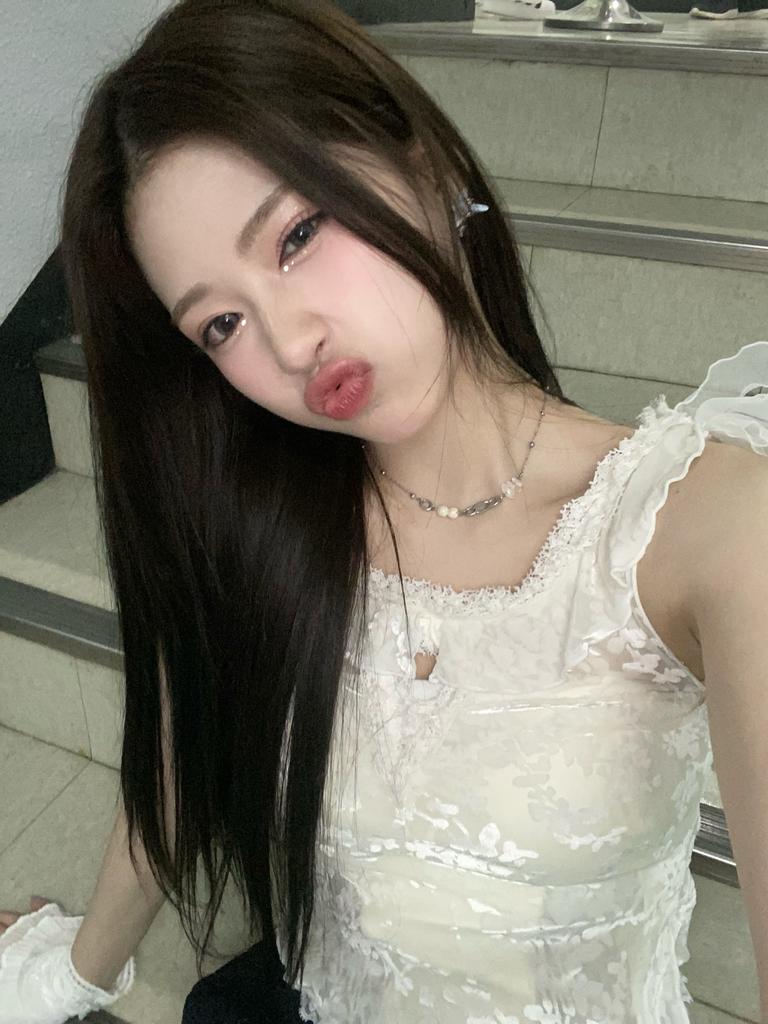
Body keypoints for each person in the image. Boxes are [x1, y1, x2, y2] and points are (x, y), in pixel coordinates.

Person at [1, 0, 768, 1021]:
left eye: (297, 234)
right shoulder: (266, 521)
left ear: (425, 163)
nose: (289, 342)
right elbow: (182, 756)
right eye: (221, 323)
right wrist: (72, 974)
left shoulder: (702, 526)